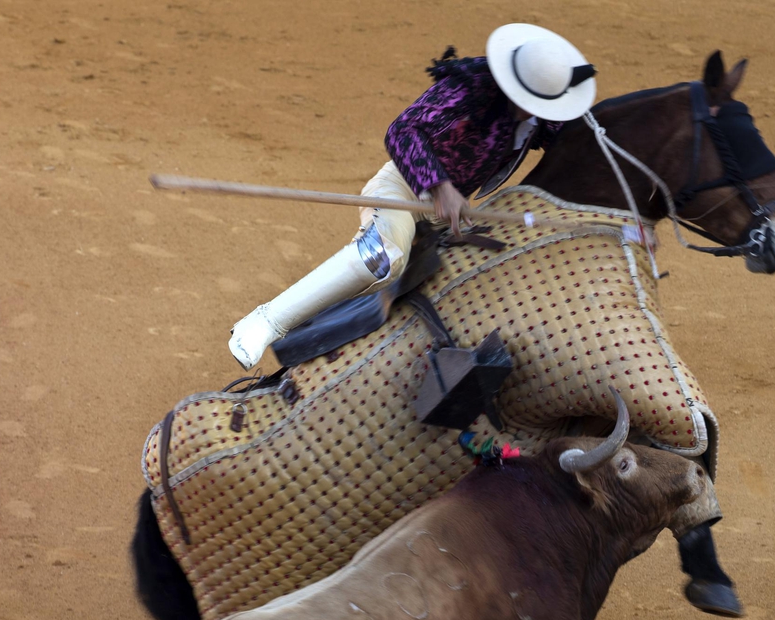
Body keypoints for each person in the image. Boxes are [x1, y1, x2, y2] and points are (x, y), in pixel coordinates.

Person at [228, 23, 597, 370]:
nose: (532, 113)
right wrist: (440, 185)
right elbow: (402, 131)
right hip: (403, 187)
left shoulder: (545, 109)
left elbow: (575, 155)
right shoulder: (470, 88)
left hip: (451, 216)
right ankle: (265, 321)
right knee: (383, 256)